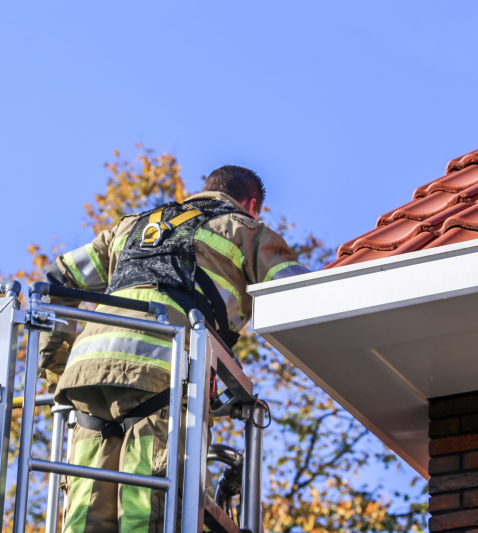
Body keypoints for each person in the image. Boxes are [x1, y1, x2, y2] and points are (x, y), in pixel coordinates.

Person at [39, 165, 309, 533]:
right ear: (251, 205)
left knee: (85, 514)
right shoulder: (248, 232)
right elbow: (298, 295)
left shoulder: (132, 225)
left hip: (86, 371)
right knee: (146, 509)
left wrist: (57, 365)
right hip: (162, 372)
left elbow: (56, 279)